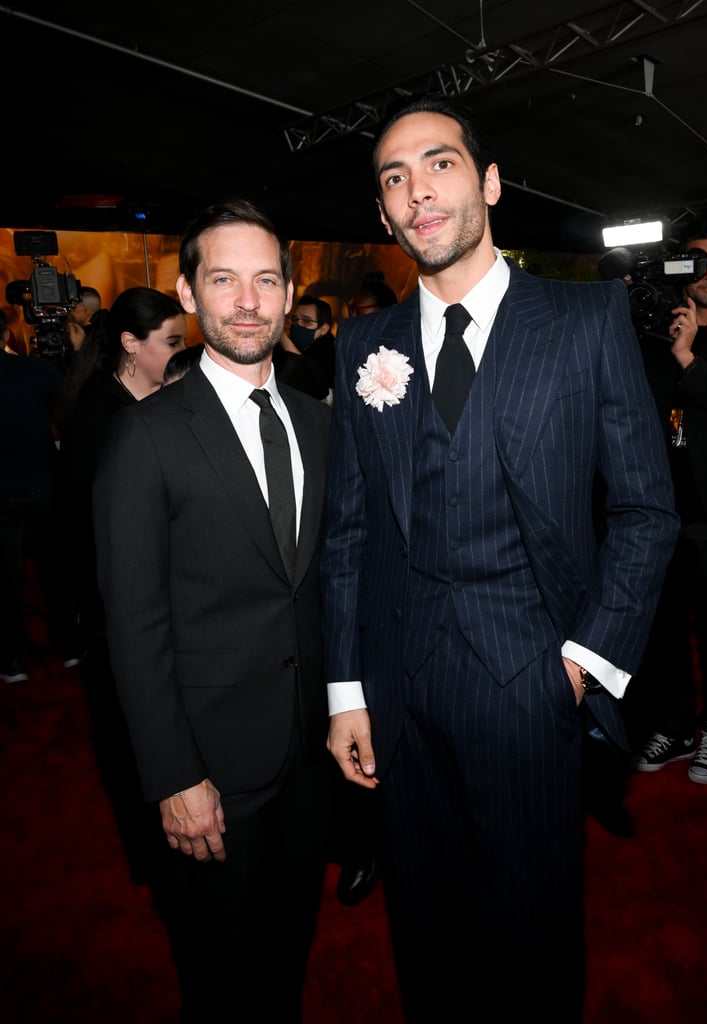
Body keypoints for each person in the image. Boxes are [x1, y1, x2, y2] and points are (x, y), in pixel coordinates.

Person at [320, 93, 679, 1022]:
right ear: (384, 213)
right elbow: (350, 532)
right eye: (393, 178)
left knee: (531, 926)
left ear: (486, 183)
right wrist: (347, 690)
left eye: (437, 164)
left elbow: (644, 509)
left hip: (532, 677)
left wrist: (583, 662)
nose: (415, 191)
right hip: (401, 682)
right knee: (425, 925)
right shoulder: (362, 345)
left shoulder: (584, 320)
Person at [93, 198, 333, 1022]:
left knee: (290, 953)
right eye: (223, 279)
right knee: (222, 978)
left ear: (289, 290)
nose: (246, 301)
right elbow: (131, 625)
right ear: (188, 294)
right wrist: (171, 775)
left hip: (309, 757)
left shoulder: (317, 422)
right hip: (210, 771)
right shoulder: (147, 436)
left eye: (265, 280)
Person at [630, 212, 707, 785]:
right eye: (697, 262)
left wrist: (690, 357)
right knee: (665, 626)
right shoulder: (660, 326)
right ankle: (677, 724)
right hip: (662, 509)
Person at [58, 287, 187, 646]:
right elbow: (84, 517)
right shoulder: (98, 416)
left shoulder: (175, 400)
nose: (181, 353)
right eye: (172, 343)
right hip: (126, 594)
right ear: (131, 342)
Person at [0, 309, 80, 681]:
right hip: (42, 485)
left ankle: (12, 661)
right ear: (6, 333)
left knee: (6, 579)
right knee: (55, 571)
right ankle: (69, 647)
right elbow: (69, 400)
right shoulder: (33, 371)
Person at [274, 293, 336, 401]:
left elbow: (311, 378)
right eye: (295, 320)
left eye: (306, 321)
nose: (298, 325)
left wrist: (280, 333)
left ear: (324, 329)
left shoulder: (331, 357)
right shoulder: (280, 350)